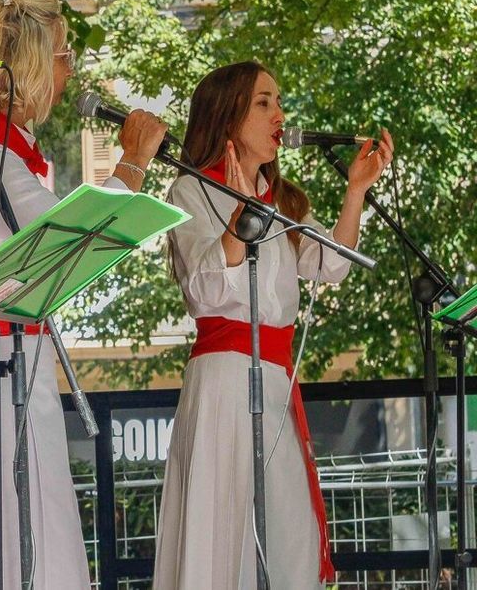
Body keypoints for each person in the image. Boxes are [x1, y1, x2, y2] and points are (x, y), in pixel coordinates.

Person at [0, 0, 168, 589]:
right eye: (62, 55)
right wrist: (131, 161)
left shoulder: (13, 154)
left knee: (27, 528)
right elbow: (66, 237)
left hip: (8, 359)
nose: (70, 70)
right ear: (22, 65)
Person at [152, 61, 393, 589]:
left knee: (284, 532)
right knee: (224, 531)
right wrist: (241, 222)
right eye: (264, 102)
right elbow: (207, 285)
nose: (279, 115)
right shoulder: (191, 192)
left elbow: (330, 265)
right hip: (224, 376)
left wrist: (355, 191)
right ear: (228, 114)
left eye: (278, 102)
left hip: (275, 378)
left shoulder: (280, 197)